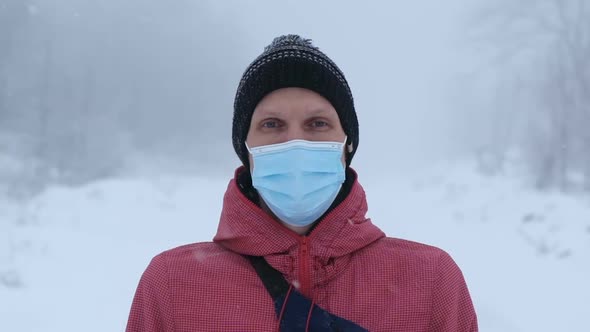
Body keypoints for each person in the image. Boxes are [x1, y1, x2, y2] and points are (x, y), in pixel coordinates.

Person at [126, 34, 478, 332]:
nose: (295, 142)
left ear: (348, 145)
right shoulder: (172, 285)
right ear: (245, 150)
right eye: (272, 125)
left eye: (317, 124)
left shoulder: (431, 281)